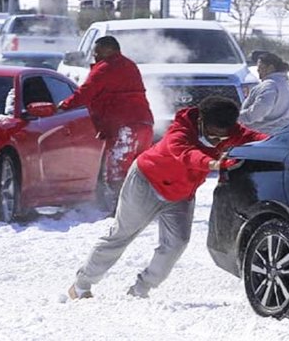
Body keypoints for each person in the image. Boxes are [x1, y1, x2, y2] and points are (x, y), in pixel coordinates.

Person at [68, 96, 267, 300]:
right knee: (121, 235)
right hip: (146, 183)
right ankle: (82, 285)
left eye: (222, 139)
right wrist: (213, 164)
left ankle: (140, 289)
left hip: (180, 194)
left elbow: (257, 137)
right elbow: (186, 154)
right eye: (213, 135)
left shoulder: (230, 132)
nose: (217, 141)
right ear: (201, 121)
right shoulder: (180, 131)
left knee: (177, 243)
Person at [58, 36, 154, 213]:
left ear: (110, 50)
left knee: (117, 171)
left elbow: (85, 93)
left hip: (125, 125)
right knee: (138, 169)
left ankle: (122, 211)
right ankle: (141, 208)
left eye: (98, 51)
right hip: (144, 124)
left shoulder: (105, 68)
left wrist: (63, 106)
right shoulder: (129, 65)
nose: (94, 55)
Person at [239, 52, 289, 134]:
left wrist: (236, 118)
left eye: (260, 67)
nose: (258, 70)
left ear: (271, 68)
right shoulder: (284, 84)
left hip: (265, 135)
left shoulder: (269, 85)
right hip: (283, 132)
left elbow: (259, 111)